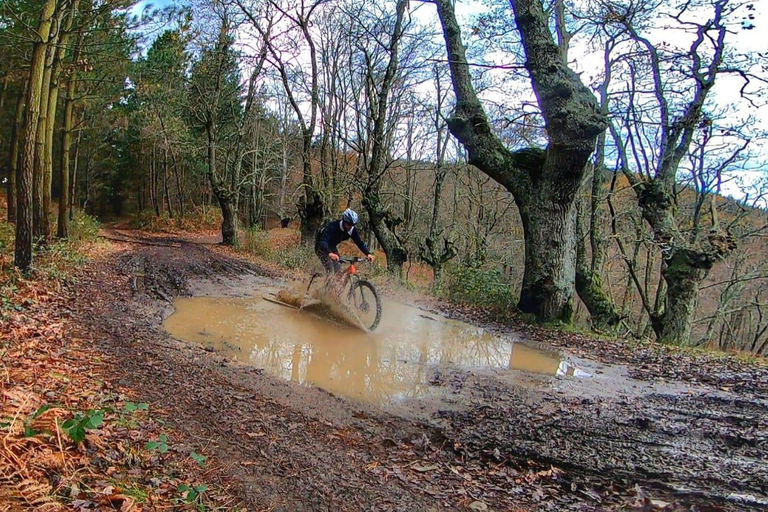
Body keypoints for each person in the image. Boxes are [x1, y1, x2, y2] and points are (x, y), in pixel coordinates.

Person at [315, 208, 375, 274]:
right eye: (349, 224)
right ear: (344, 221)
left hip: (331, 246)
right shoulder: (332, 227)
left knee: (338, 267)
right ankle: (327, 283)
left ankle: (336, 283)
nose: (351, 226)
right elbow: (322, 242)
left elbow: (359, 242)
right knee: (330, 268)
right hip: (321, 247)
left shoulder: (352, 230)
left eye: (353, 224)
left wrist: (368, 253)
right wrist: (330, 253)